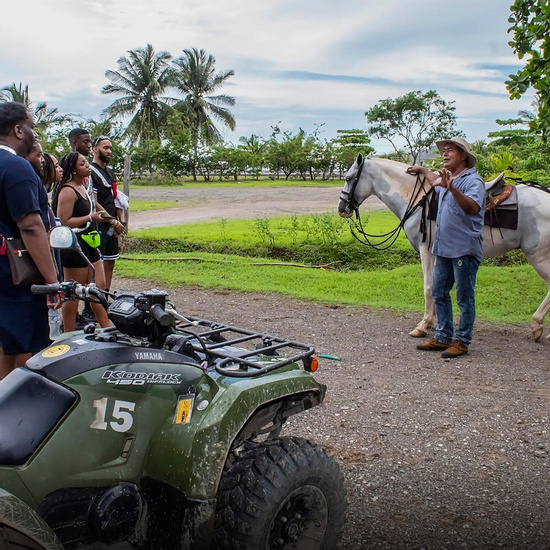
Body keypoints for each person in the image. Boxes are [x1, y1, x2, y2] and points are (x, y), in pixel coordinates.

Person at [406, 137, 485, 358]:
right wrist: (423, 169)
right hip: (443, 248)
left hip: (464, 249)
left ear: (463, 156)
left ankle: (461, 341)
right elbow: (434, 179)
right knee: (439, 292)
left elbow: (472, 208)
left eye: (450, 150)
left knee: (464, 297)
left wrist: (453, 189)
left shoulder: (473, 181)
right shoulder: (445, 180)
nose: (445, 153)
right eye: (444, 150)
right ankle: (442, 337)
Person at [0, 102, 59, 379]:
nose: (35, 134)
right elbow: (32, 227)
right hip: (15, 277)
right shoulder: (17, 167)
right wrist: (52, 281)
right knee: (21, 350)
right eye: (32, 127)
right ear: (18, 130)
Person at [53, 152, 111, 332]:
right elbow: (63, 222)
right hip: (74, 247)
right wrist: (89, 217)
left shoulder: (82, 187)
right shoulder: (67, 191)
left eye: (86, 162)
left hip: (90, 244)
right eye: (83, 164)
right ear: (73, 170)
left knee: (97, 291)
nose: (87, 166)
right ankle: (68, 333)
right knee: (73, 295)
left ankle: (107, 327)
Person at [90, 136, 124, 292]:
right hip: (99, 224)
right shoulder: (90, 172)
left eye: (110, 148)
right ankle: (93, 301)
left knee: (110, 261)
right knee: (96, 263)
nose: (109, 151)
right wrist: (112, 221)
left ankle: (105, 295)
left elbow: (117, 198)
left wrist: (120, 222)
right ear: (95, 149)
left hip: (112, 224)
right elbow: (93, 202)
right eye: (105, 148)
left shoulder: (110, 172)